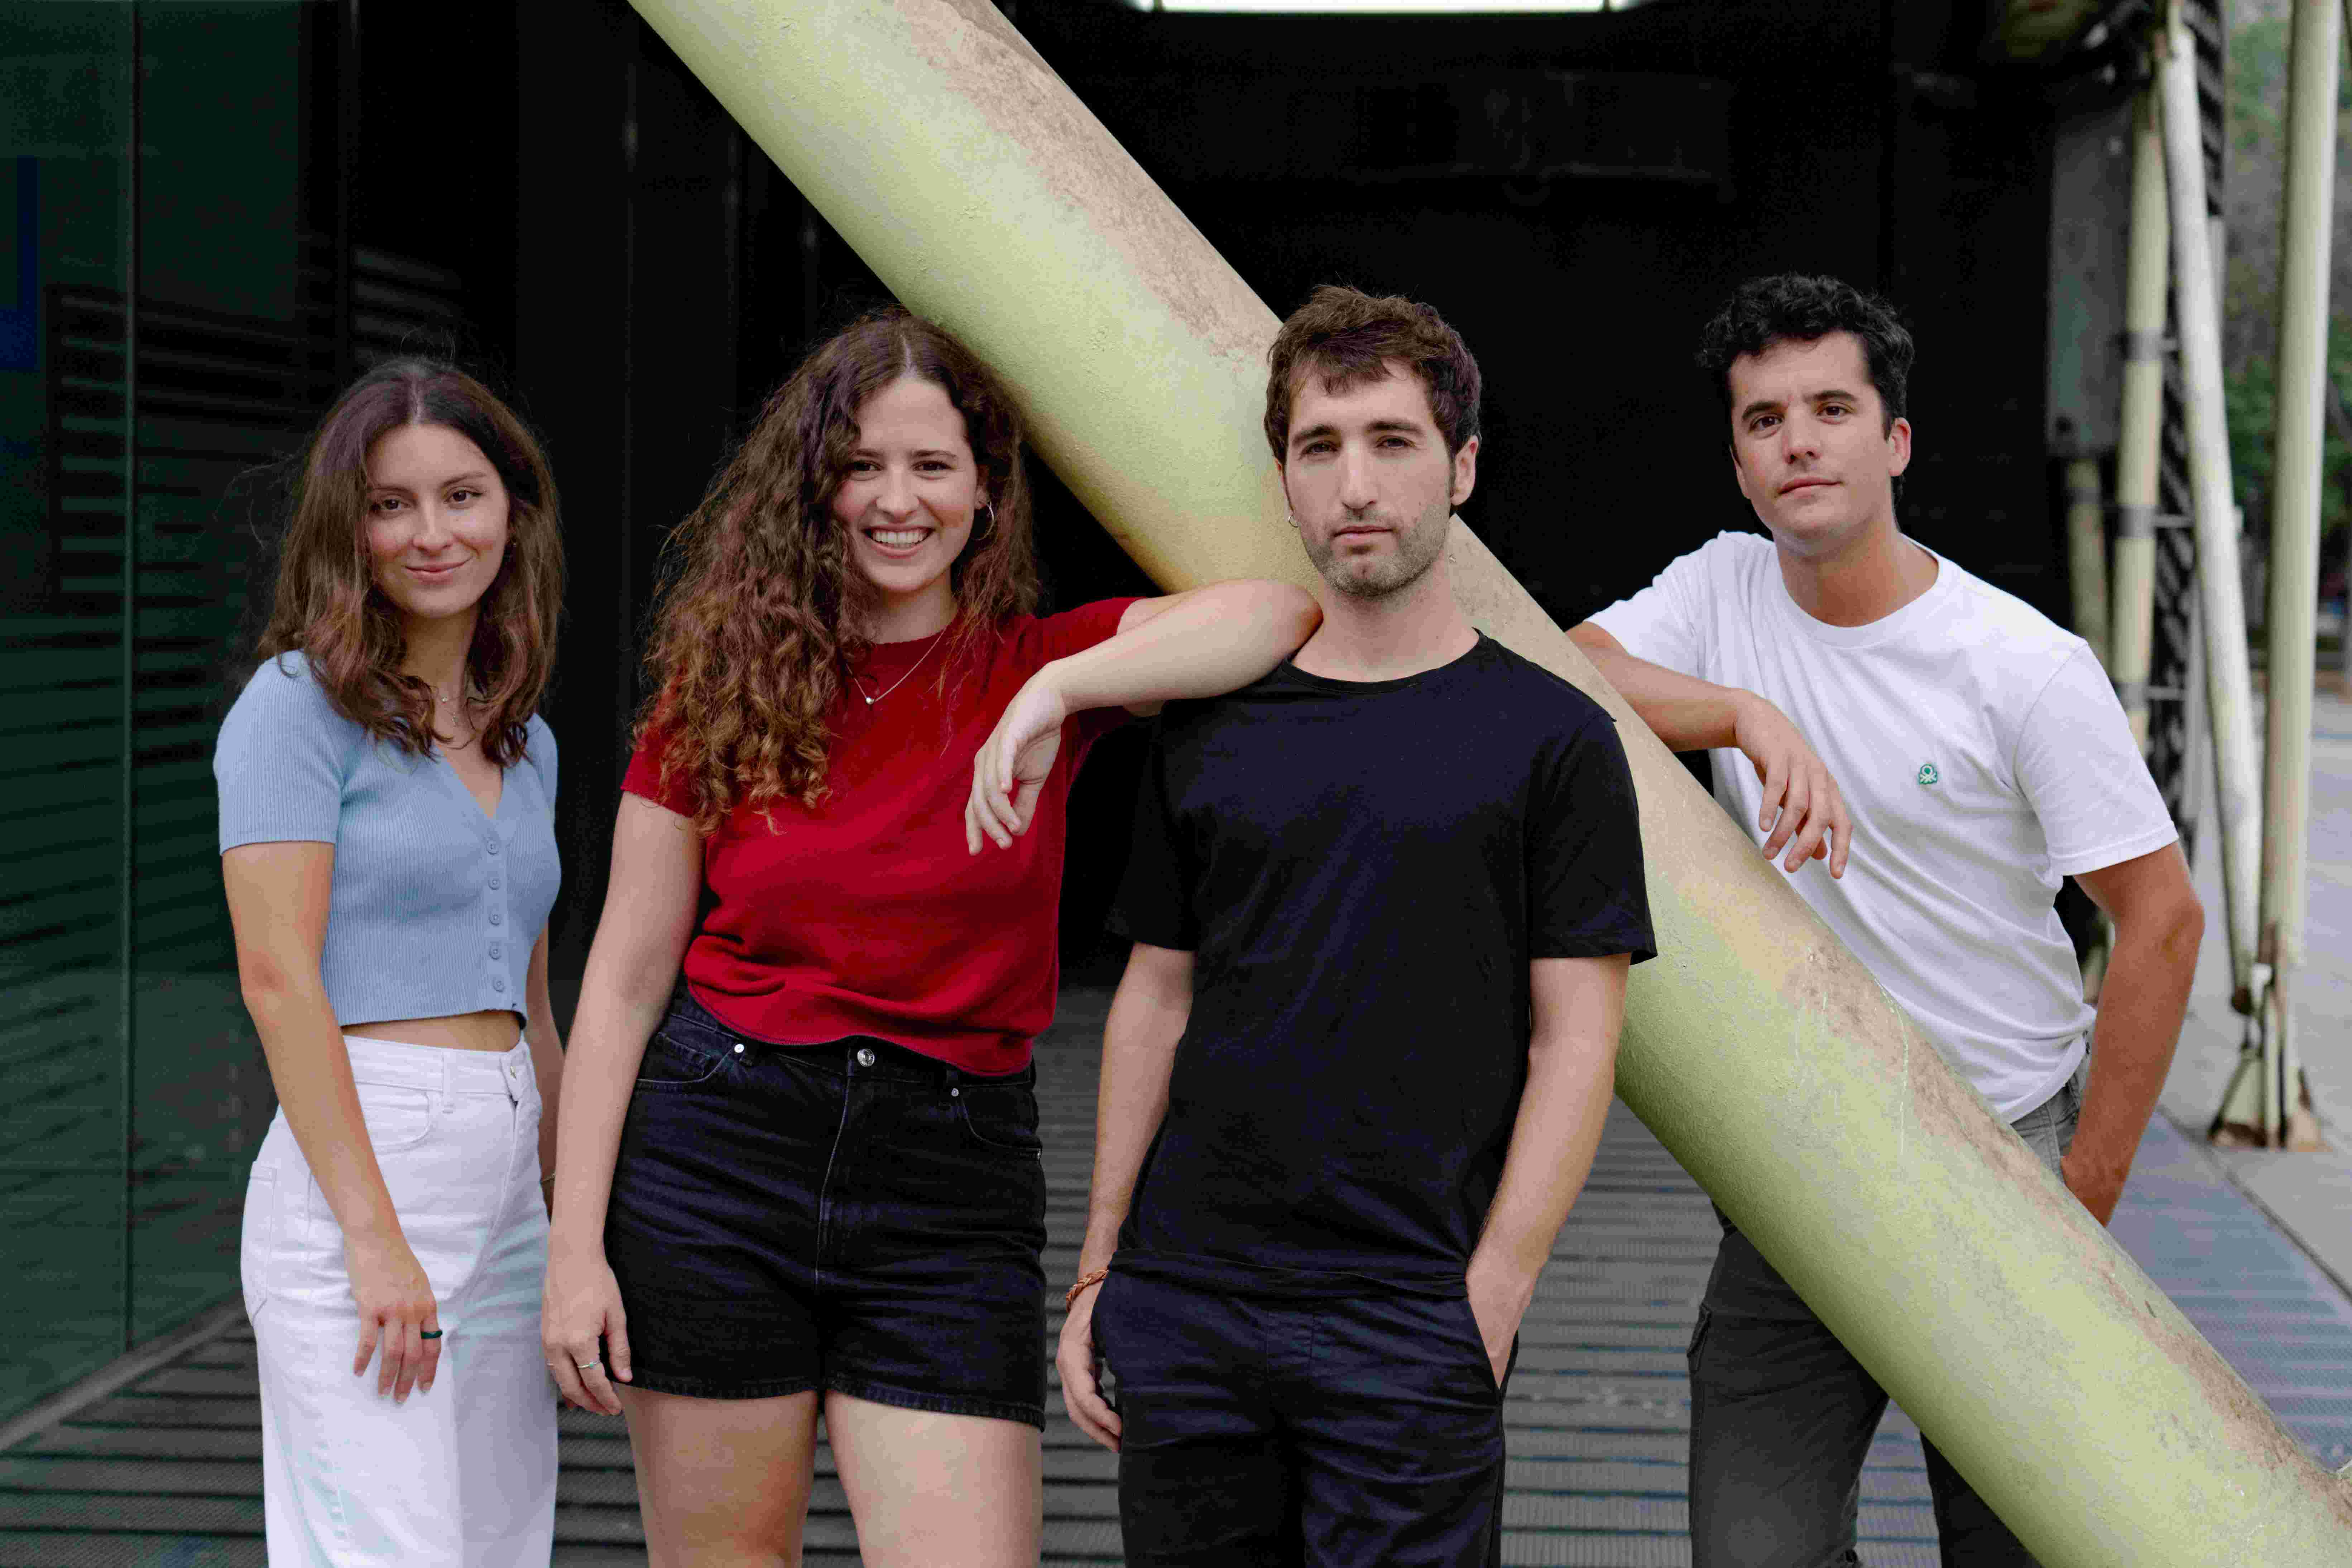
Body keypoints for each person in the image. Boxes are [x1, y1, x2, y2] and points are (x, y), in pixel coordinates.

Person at [539, 306, 1319, 1568]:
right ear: (814, 490)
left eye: (931, 466)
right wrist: (575, 1250)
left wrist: (1057, 693)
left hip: (949, 1191)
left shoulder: (1038, 666)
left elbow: (1284, 613)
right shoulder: (723, 687)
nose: (895, 500)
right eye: (860, 466)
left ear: (986, 493)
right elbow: (623, 981)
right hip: (718, 1159)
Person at [1569, 273, 2205, 1567]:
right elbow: (1571, 668)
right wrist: (1744, 714)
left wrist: (2078, 1197)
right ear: (1741, 467)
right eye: (1763, 421)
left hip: (2001, 1137)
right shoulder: (1724, 590)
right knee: (1753, 1551)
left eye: (1831, 408)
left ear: (1895, 441)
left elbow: (2164, 920)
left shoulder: (2018, 664)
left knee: (2015, 1545)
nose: (1797, 439)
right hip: (1805, 1147)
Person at [1056, 284, 1656, 1567]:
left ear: (1464, 468)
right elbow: (1155, 997)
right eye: (1319, 448)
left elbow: (1578, 1044)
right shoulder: (1209, 725)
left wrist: (1494, 1295)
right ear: (1284, 483)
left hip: (1411, 1313)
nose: (1356, 483)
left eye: (1393, 441)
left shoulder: (1554, 740)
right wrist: (1103, 1270)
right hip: (1191, 1303)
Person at [216, 359, 568, 1566]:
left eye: (462, 495)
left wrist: (573, 1225)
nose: (433, 533)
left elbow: (531, 998)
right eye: (392, 504)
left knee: (499, 1543)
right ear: (347, 530)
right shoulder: (292, 708)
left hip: (509, 1179)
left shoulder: (529, 737)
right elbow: (279, 980)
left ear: (512, 510)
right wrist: (373, 1236)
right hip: (362, 1172)